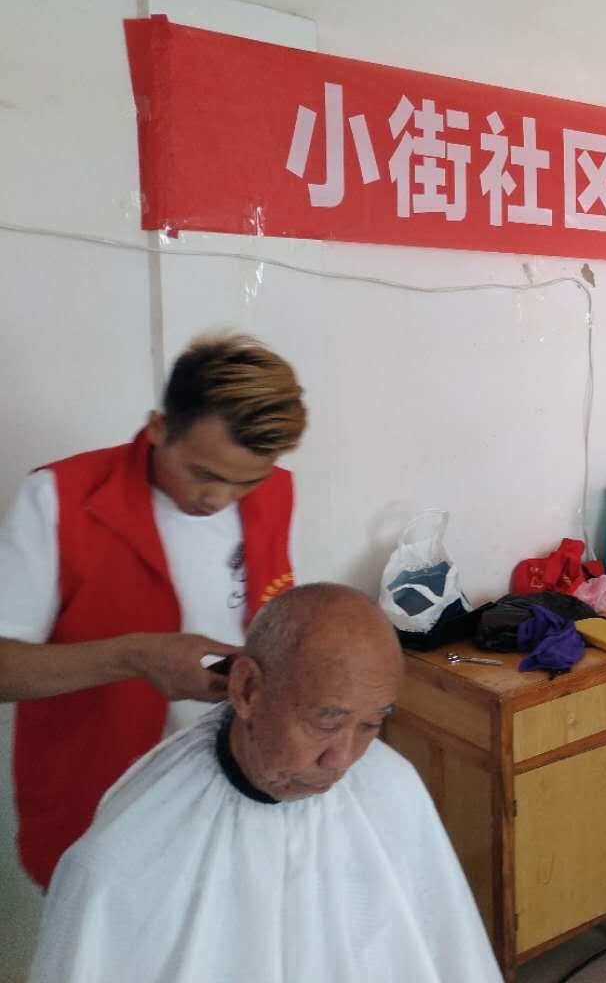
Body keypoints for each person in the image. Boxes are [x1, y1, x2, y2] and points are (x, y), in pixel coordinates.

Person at [28, 583, 503, 983]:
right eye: (325, 721)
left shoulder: (393, 788)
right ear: (247, 689)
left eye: (371, 725)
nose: (343, 760)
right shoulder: (121, 862)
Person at [0, 334, 306, 888]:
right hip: (100, 810)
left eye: (246, 482)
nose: (219, 500)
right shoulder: (58, 498)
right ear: (159, 427)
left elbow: (266, 616)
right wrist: (137, 658)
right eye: (203, 474)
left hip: (227, 798)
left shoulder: (275, 493)